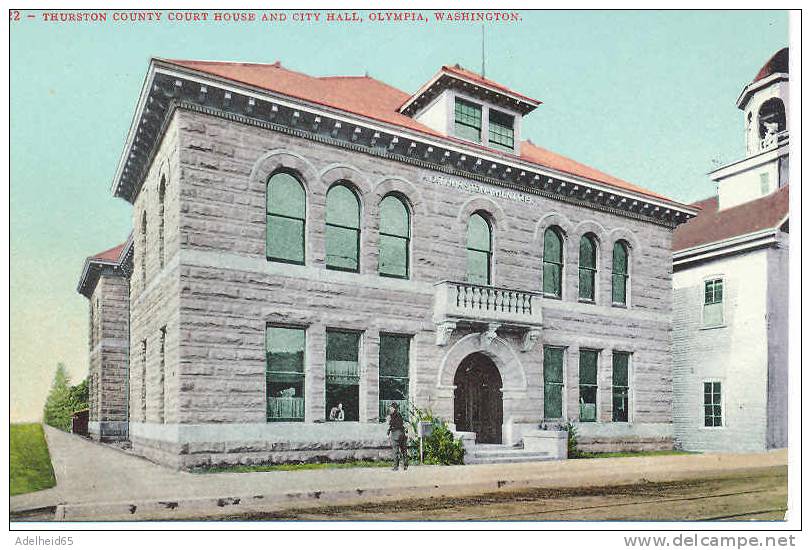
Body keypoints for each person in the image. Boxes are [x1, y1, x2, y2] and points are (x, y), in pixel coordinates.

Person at [386, 402, 408, 471]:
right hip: (402, 433)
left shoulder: (391, 416)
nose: (390, 409)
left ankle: (396, 467)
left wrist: (388, 432)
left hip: (395, 434)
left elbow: (389, 424)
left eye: (391, 407)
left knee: (395, 451)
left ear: (393, 408)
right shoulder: (400, 415)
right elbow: (403, 423)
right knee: (404, 450)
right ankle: (405, 465)